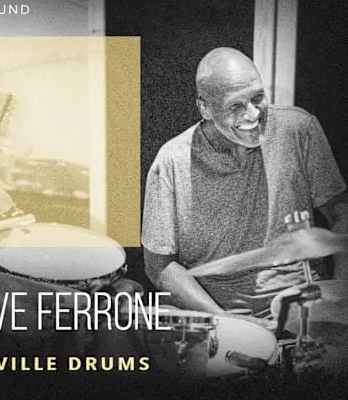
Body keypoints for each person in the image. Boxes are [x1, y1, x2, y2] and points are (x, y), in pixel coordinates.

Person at [142, 47, 348, 324]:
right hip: (220, 317)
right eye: (235, 106)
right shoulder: (171, 161)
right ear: (205, 108)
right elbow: (159, 266)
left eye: (257, 97)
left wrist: (339, 296)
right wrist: (225, 321)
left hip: (304, 307)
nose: (253, 114)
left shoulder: (299, 129)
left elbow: (341, 214)